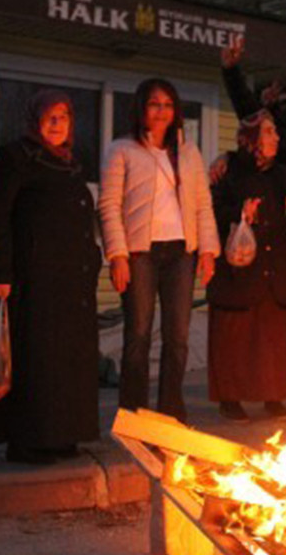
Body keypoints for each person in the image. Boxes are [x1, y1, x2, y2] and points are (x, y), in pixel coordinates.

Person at [0, 90, 100, 464]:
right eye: (50, 117)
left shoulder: (71, 163)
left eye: (63, 117)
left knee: (66, 359)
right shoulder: (15, 157)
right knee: (35, 357)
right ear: (35, 120)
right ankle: (27, 439)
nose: (56, 124)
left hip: (70, 277)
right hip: (32, 276)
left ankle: (62, 434)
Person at [99, 78, 219, 423]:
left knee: (177, 337)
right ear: (141, 107)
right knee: (138, 334)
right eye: (154, 104)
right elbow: (108, 205)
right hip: (140, 254)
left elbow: (202, 204)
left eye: (168, 105)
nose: (162, 111)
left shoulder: (188, 151)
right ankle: (134, 414)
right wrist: (117, 255)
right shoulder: (122, 149)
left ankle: (171, 413)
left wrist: (208, 250)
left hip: (181, 253)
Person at [206, 108, 286, 421]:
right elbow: (213, 212)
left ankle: (273, 396)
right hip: (240, 271)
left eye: (275, 132)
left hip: (275, 268)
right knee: (236, 339)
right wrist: (240, 211)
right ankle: (231, 398)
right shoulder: (230, 171)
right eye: (269, 132)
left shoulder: (283, 175)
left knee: (273, 340)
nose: (276, 137)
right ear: (252, 139)